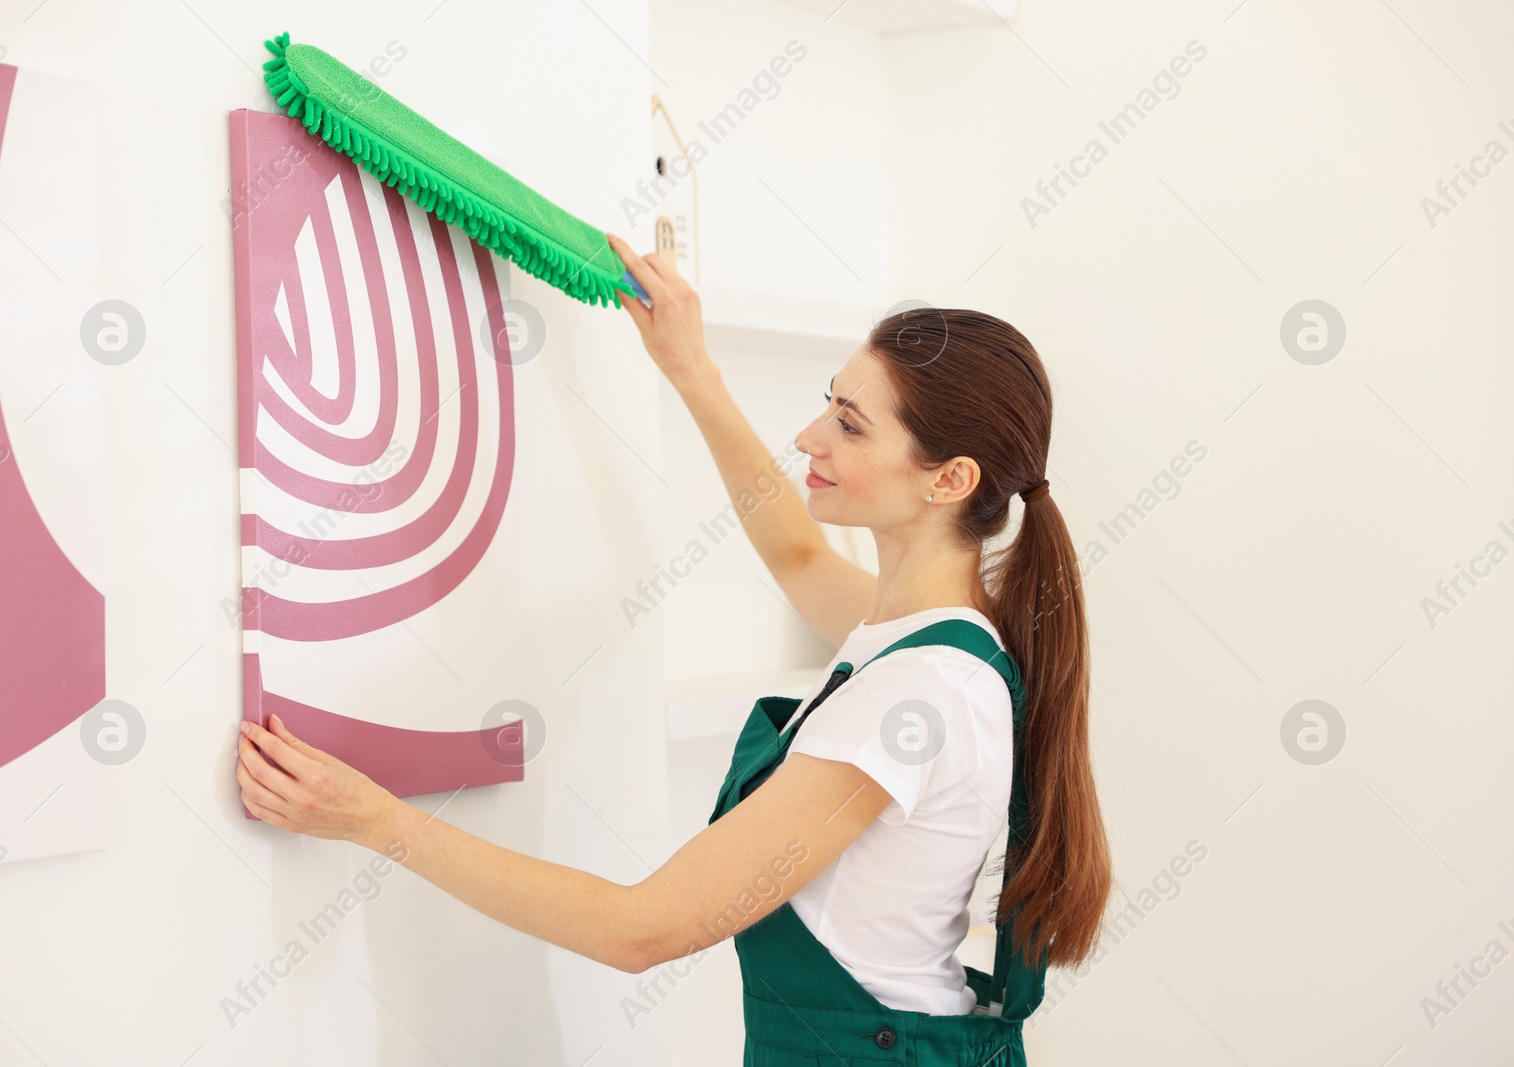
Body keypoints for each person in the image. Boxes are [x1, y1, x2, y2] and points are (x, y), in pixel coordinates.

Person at [236, 233, 1112, 1064]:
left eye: (850, 424)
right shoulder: (944, 636)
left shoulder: (914, 697)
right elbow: (800, 558)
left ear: (948, 478)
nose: (809, 437)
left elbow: (642, 928)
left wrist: (373, 818)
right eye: (826, 403)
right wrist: (690, 369)